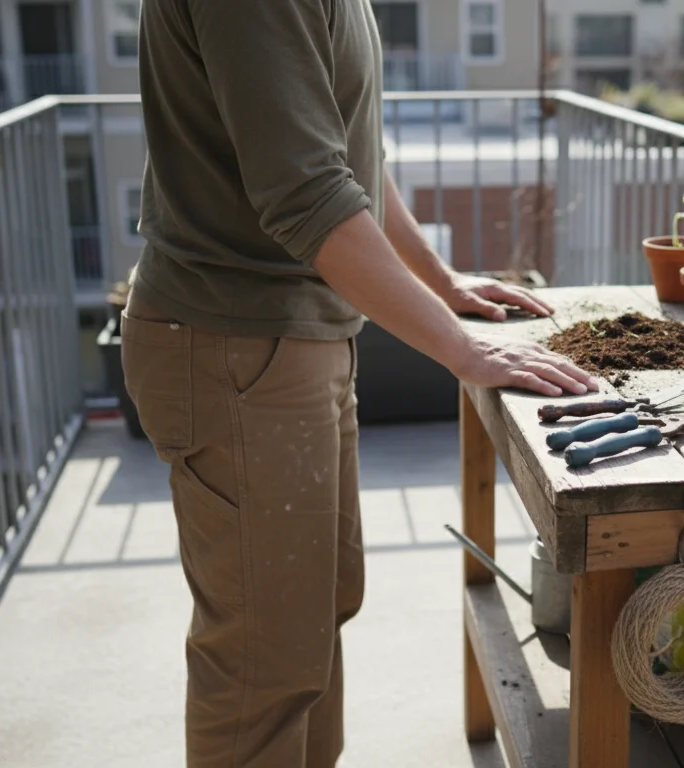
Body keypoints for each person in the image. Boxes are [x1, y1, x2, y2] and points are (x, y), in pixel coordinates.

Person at [118, 0, 596, 765]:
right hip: (235, 345)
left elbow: (345, 158)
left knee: (314, 616)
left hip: (291, 337)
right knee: (263, 662)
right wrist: (463, 350)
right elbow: (309, 196)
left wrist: (438, 280)